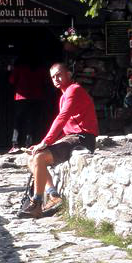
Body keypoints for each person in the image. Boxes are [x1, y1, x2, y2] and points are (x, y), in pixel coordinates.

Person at [19, 62, 98, 219]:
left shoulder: (74, 90)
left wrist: (46, 142)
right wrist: (42, 145)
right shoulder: (64, 96)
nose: (56, 79)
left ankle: (36, 203)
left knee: (40, 157)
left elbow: (62, 118)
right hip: (73, 137)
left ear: (68, 74)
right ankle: (53, 195)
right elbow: (66, 127)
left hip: (83, 138)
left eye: (59, 75)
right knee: (32, 158)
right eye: (53, 77)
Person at [8, 54, 49, 152]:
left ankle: (15, 144)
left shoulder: (19, 68)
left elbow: (12, 80)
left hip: (21, 98)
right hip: (36, 97)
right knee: (32, 120)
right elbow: (45, 81)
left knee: (18, 121)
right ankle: (29, 144)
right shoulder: (40, 69)